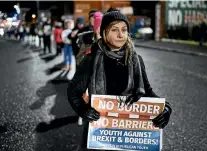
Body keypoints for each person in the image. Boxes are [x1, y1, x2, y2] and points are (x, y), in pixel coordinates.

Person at [67, 11, 172, 151]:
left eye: (124, 30)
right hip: (98, 135)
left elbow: (147, 92)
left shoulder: (136, 60)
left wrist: (165, 108)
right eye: (114, 30)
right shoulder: (91, 60)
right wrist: (82, 109)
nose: (120, 34)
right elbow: (73, 91)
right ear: (104, 32)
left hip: (127, 136)